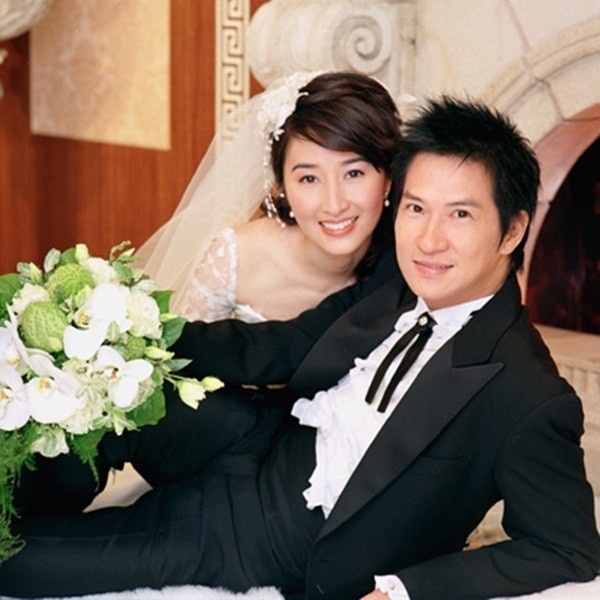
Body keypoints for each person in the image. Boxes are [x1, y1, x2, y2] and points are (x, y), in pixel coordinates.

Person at [2, 97, 599, 600]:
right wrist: (130, 332)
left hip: (264, 534)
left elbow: (567, 549)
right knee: (105, 382)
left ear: (513, 229)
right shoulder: (399, 279)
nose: (428, 239)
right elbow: (283, 345)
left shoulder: (529, 395)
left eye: (460, 214)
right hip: (252, 438)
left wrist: (405, 590)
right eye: (416, 208)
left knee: (17, 560)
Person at [137, 71, 401, 322]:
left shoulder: (408, 259)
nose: (334, 204)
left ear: (388, 179)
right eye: (309, 179)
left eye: (353, 174)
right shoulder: (234, 260)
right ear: (282, 186)